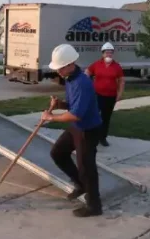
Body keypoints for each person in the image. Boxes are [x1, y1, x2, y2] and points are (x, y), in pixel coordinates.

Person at [41, 44, 103, 217]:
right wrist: (60, 104)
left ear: (70, 64)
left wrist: (51, 117)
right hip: (77, 127)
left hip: (88, 129)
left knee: (87, 167)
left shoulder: (82, 83)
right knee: (58, 153)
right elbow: (73, 106)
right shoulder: (70, 79)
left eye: (60, 68)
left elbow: (75, 115)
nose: (58, 71)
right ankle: (80, 184)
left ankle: (94, 206)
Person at [85, 42, 125, 147]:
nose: (109, 54)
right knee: (94, 116)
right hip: (97, 95)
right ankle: (91, 136)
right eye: (107, 52)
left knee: (106, 118)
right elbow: (87, 73)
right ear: (102, 54)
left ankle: (102, 138)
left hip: (111, 96)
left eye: (110, 52)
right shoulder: (96, 64)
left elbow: (121, 81)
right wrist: (88, 86)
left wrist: (119, 93)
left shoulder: (117, 66)